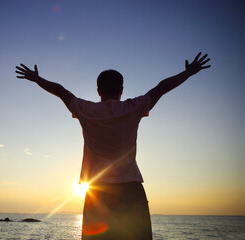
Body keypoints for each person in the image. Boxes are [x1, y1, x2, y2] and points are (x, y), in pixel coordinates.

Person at [15, 52, 211, 239]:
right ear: (121, 90)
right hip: (131, 190)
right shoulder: (133, 107)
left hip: (98, 192)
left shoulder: (86, 110)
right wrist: (188, 72)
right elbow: (161, 88)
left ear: (98, 90)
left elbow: (61, 91)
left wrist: (37, 79)